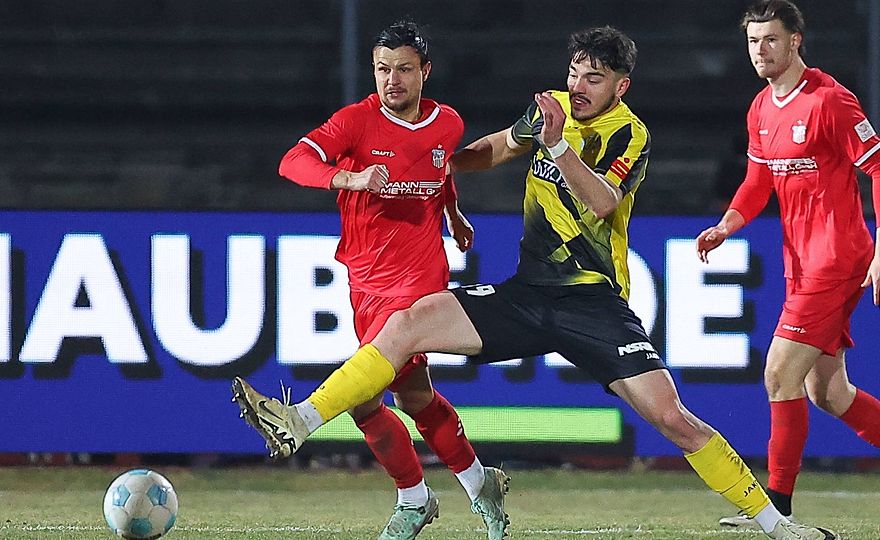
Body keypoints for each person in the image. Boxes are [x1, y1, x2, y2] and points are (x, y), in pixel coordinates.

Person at [235, 26, 839, 540]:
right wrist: (438, 169)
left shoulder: (629, 133)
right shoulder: (548, 106)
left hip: (593, 303)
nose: (578, 87)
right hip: (528, 294)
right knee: (407, 325)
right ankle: (302, 421)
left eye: (593, 79)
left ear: (620, 87)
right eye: (575, 74)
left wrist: (555, 145)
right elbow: (496, 149)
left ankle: (778, 528)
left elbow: (603, 202)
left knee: (672, 419)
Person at [696, 0, 880, 530]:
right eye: (752, 41)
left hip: (837, 258)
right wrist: (727, 224)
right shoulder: (761, 108)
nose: (760, 51)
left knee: (778, 374)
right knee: (826, 390)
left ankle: (778, 511)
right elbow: (759, 181)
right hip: (800, 261)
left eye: (771, 39)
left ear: (795, 41)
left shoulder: (830, 101)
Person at [254, 20, 509, 540]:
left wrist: (453, 213)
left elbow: (439, 172)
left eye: (404, 69)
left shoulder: (448, 124)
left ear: (425, 72)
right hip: (365, 278)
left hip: (417, 281)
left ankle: (411, 496)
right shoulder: (354, 122)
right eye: (382, 69)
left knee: (372, 397)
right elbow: (292, 161)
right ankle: (476, 484)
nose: (392, 80)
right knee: (407, 398)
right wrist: (346, 176)